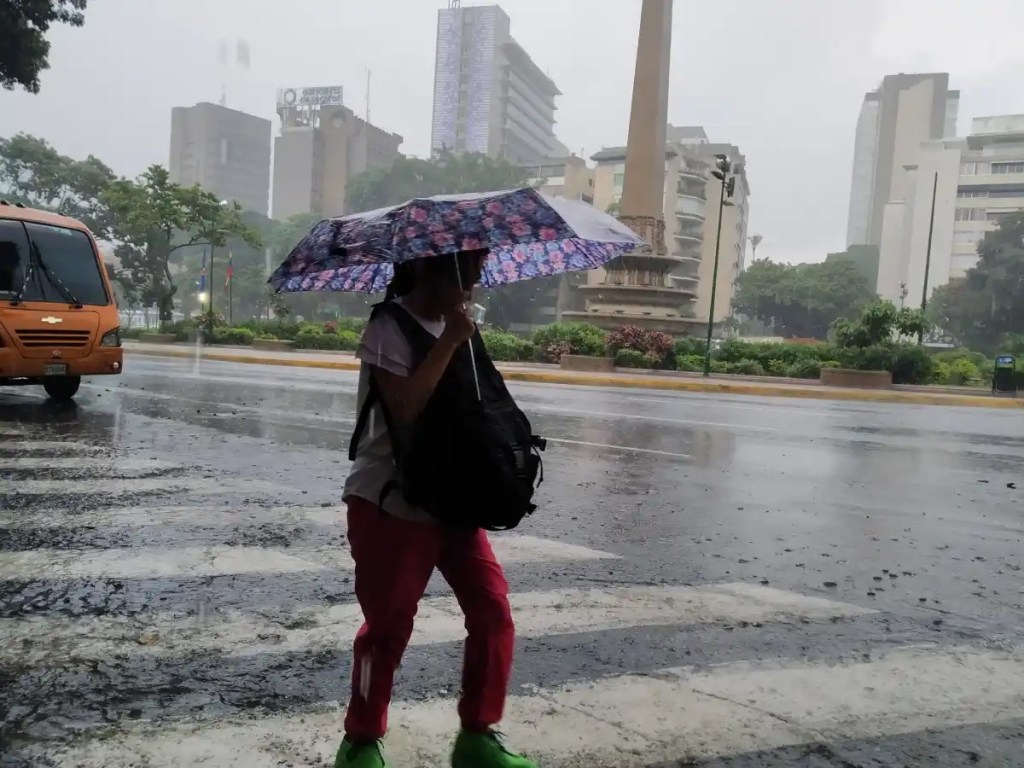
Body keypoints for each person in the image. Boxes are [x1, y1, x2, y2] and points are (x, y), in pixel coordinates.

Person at [336, 250, 536, 768]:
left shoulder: (462, 327)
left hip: (454, 498)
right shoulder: (388, 325)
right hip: (391, 501)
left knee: (492, 610)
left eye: (479, 269)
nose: (476, 281)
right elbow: (404, 411)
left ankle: (478, 736)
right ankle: (359, 743)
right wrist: (449, 340)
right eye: (468, 270)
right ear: (434, 268)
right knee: (387, 627)